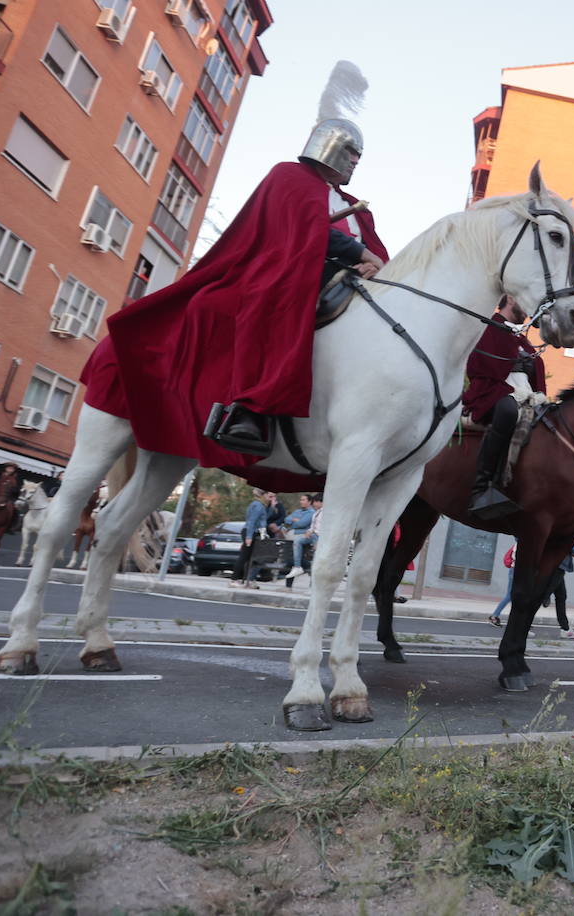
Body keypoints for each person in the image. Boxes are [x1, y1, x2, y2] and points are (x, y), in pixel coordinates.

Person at [79, 62, 390, 475]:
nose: (356, 162)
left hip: (341, 283)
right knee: (267, 305)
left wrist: (374, 265)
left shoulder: (355, 209)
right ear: (328, 146)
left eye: (359, 155)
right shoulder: (292, 178)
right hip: (279, 270)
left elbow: (377, 252)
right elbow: (298, 231)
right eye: (351, 152)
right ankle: (247, 409)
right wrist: (356, 255)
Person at [463, 296, 545, 519]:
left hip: (527, 393)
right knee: (508, 411)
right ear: (509, 299)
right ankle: (482, 487)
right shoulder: (490, 328)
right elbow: (478, 367)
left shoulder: (521, 338)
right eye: (525, 301)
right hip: (496, 390)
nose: (529, 309)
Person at [540, 543, 574, 639]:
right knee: (543, 596)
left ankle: (565, 629)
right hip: (559, 565)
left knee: (561, 596)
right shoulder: (567, 529)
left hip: (556, 564)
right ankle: (522, 626)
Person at [232, 488, 268, 590]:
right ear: (262, 495)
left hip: (252, 532)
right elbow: (252, 521)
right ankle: (234, 579)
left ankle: (247, 580)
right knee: (244, 556)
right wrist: (249, 537)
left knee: (249, 558)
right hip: (250, 532)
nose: (268, 497)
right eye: (266, 495)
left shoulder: (259, 505)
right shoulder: (258, 506)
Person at [282, 493, 316, 577]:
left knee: (291, 557)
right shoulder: (297, 511)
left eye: (303, 500)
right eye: (300, 500)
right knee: (289, 557)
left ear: (309, 502)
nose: (301, 502)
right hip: (291, 535)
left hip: (299, 535)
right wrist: (295, 520)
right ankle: (288, 586)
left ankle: (306, 567)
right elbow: (286, 519)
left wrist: (294, 521)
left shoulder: (312, 512)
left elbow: (302, 524)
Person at [489, 541, 516, 626]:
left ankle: (522, 621)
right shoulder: (525, 544)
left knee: (514, 596)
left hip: (514, 570)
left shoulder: (518, 543)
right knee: (511, 596)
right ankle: (494, 616)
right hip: (517, 571)